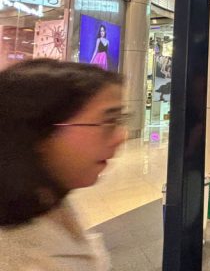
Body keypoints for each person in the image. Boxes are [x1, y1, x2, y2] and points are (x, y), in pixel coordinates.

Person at [0, 59, 127, 270]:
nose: (121, 136)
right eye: (108, 121)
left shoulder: (44, 198)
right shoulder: (22, 261)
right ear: (41, 132)